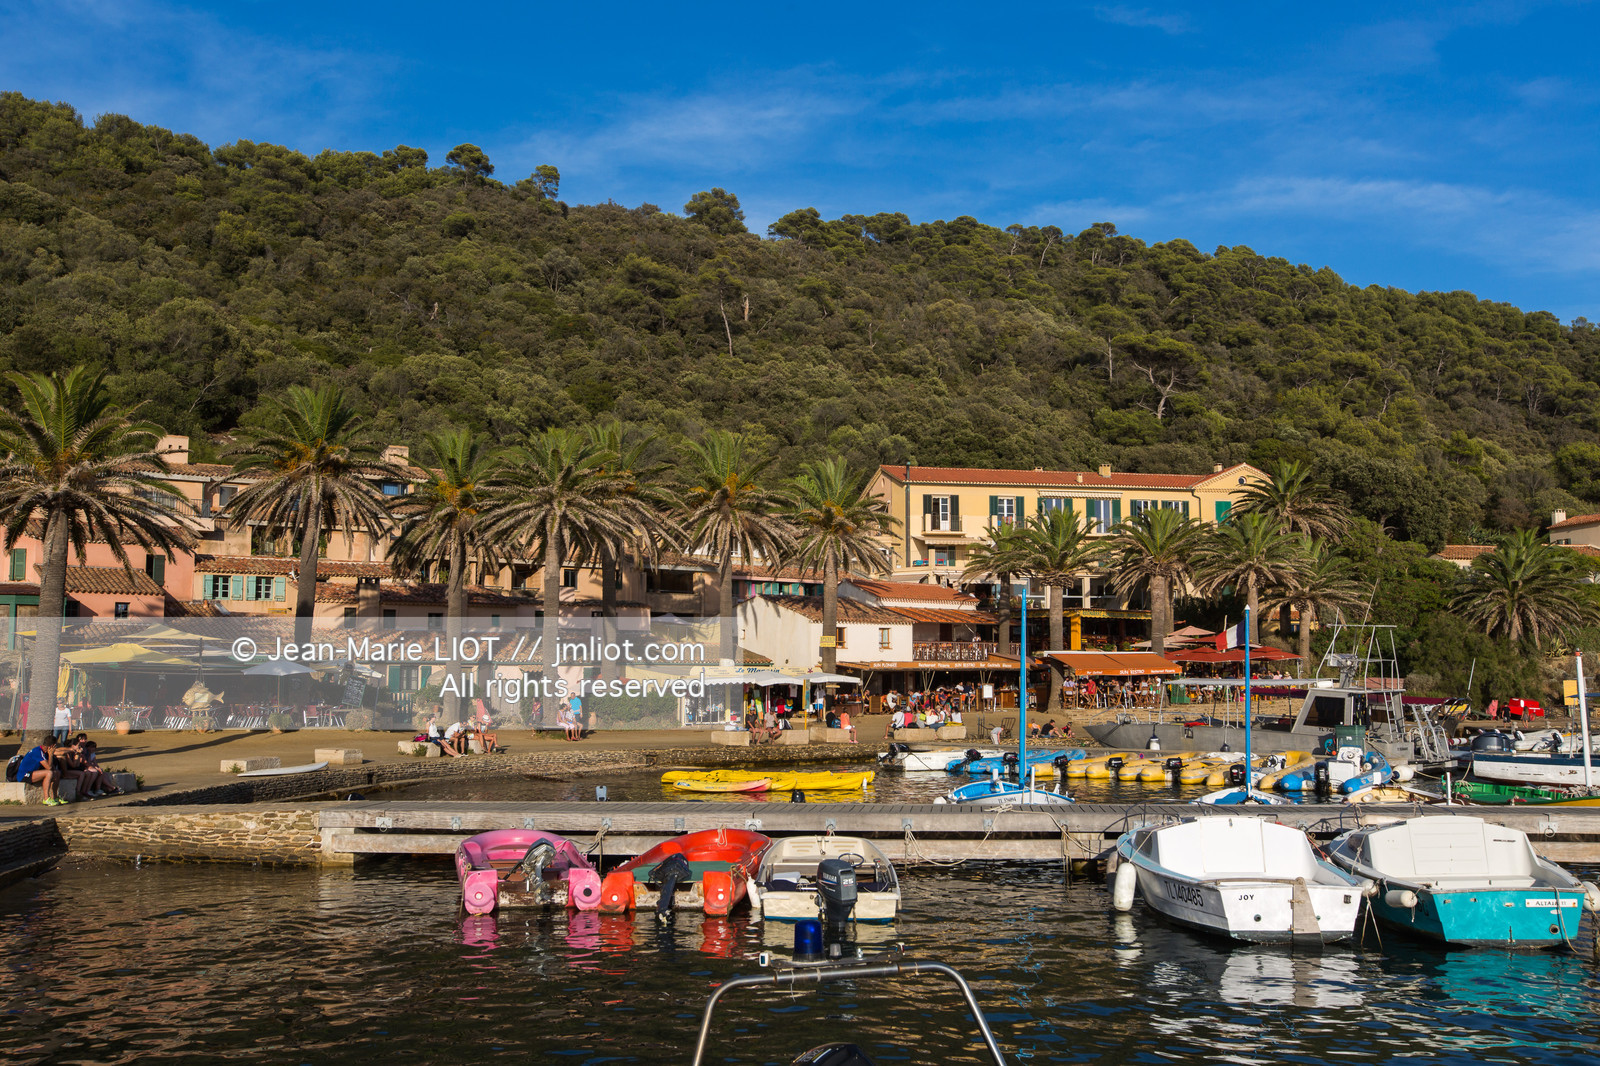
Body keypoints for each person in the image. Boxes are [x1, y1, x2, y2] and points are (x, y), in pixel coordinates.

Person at [17, 737, 66, 805]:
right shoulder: (37, 752)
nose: (55, 749)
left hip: (33, 773)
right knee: (49, 773)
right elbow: (48, 767)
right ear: (51, 746)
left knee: (56, 772)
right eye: (55, 747)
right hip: (24, 775)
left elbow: (52, 767)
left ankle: (55, 797)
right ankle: (46, 799)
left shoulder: (45, 752)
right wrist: (51, 755)